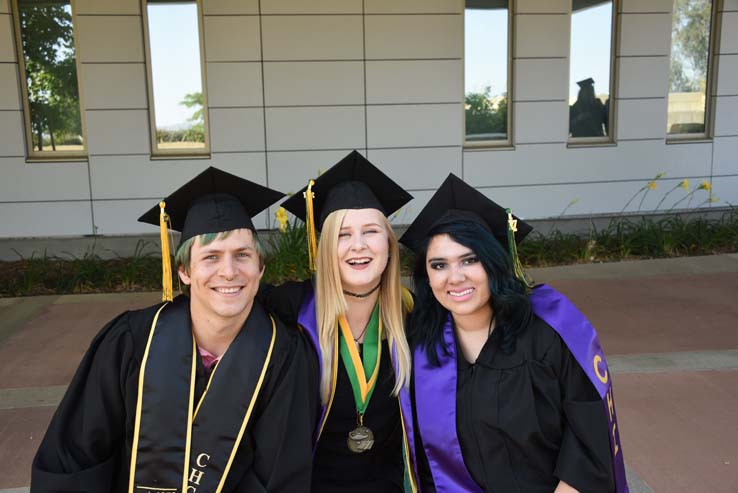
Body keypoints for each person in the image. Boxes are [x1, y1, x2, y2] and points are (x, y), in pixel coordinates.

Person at [31, 167, 317, 493]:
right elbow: (75, 457)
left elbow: (279, 478)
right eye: (211, 257)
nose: (228, 271)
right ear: (183, 271)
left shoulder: (281, 356)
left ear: (260, 268)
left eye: (242, 255)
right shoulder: (131, 341)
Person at [399, 174, 626, 493]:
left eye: (470, 260)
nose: (455, 277)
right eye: (439, 265)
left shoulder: (548, 333)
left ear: (495, 263)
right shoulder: (421, 345)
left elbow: (588, 446)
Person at [259, 150, 417, 492]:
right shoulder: (290, 310)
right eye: (343, 234)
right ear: (325, 247)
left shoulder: (413, 317)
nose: (357, 246)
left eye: (371, 231)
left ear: (389, 244)